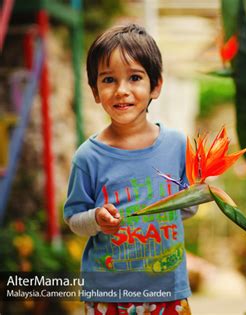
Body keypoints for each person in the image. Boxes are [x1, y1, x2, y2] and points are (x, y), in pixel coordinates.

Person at [64, 24, 195, 315]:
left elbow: (188, 207)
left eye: (135, 77)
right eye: (108, 79)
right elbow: (74, 219)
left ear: (156, 85)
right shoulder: (88, 157)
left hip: (167, 289)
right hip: (109, 296)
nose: (121, 91)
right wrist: (97, 219)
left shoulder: (177, 145)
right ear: (96, 92)